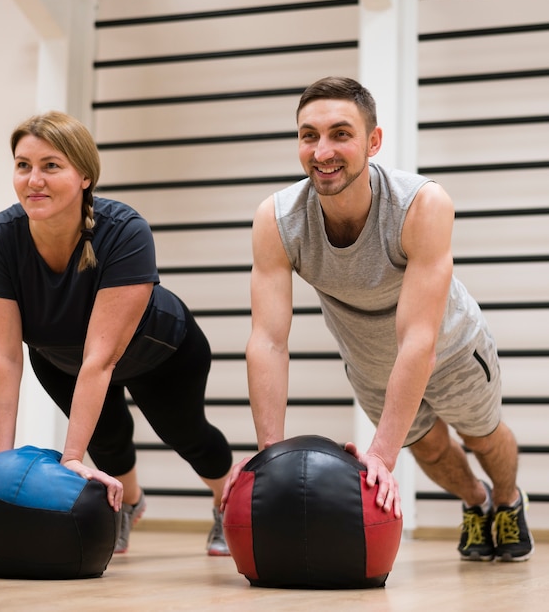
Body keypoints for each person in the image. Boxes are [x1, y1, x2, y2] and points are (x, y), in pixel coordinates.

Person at [222, 76, 533, 562]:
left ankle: (509, 501)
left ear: (373, 141)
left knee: (481, 434)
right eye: (309, 135)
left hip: (450, 349)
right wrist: (270, 454)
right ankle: (476, 502)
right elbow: (267, 341)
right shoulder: (277, 219)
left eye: (340, 134)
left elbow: (419, 341)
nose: (322, 150)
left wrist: (381, 457)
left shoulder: (422, 205)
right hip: (369, 363)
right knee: (429, 449)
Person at [0, 111, 232, 556]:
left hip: (160, 351)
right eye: (23, 165)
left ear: (84, 176)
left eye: (51, 165)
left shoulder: (124, 231)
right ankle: (131, 503)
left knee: (187, 434)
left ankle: (224, 504)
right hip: (61, 355)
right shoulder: (1, 237)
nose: (33, 179)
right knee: (107, 437)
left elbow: (101, 358)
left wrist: (71, 463)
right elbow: (4, 360)